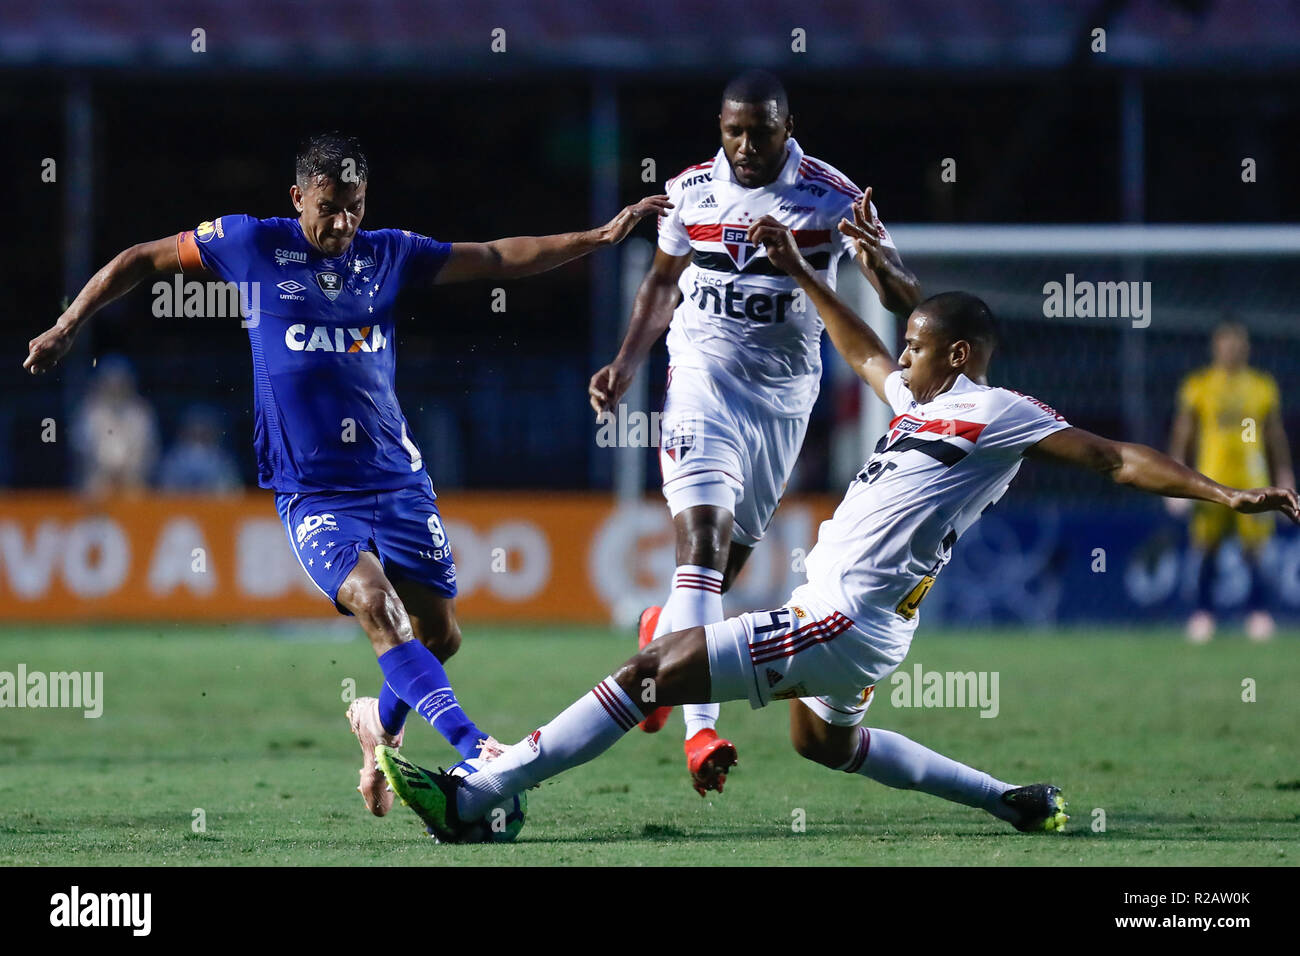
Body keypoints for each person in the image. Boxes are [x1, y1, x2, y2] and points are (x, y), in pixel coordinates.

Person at [380, 207, 1298, 843]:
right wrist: (804, 274)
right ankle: (1010, 801)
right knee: (821, 742)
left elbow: (1112, 457)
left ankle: (481, 795)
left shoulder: (996, 412)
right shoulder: (915, 400)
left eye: (920, 348)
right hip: (864, 623)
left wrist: (1224, 494)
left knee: (649, 670)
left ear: (961, 357)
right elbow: (860, 351)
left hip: (846, 617)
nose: (903, 358)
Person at [24, 131, 669, 818]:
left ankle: (379, 725)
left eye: (355, 207)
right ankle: (477, 746)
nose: (343, 223)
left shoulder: (387, 252)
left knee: (441, 636)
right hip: (313, 489)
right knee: (373, 602)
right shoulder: (250, 245)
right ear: (297, 196)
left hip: (397, 478)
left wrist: (598, 237)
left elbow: (497, 258)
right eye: (329, 207)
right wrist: (68, 325)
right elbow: (142, 258)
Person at [587, 70, 921, 795]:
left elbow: (905, 297)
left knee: (719, 576)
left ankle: (658, 636)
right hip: (700, 380)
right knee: (701, 547)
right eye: (733, 131)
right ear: (719, 125)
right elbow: (661, 285)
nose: (745, 146)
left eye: (760, 132)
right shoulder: (689, 192)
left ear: (786, 126)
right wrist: (623, 363)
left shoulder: (832, 196)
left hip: (781, 401)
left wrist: (877, 261)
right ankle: (700, 731)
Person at [1168, 321, 1293, 642]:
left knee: (1255, 549)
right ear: (1216, 346)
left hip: (1253, 478)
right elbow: (1184, 432)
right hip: (1211, 477)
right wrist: (1175, 474)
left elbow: (1274, 434)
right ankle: (1203, 613)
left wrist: (1284, 474)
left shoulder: (1262, 386)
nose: (1232, 349)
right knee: (1206, 546)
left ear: (1247, 347)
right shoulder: (1199, 385)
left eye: (1238, 343)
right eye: (1226, 343)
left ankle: (1258, 613)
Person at [71, 354, 159, 496]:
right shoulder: (88, 412)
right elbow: (82, 451)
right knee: (93, 490)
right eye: (110, 384)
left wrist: (127, 471)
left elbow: (148, 450)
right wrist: (106, 472)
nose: (115, 389)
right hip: (98, 478)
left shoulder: (141, 412)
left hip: (133, 479)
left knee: (136, 495)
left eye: (119, 384)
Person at [157, 404, 242, 493]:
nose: (198, 433)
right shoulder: (172, 461)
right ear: (182, 431)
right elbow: (164, 492)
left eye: (204, 432)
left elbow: (233, 494)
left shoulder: (223, 462)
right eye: (193, 430)